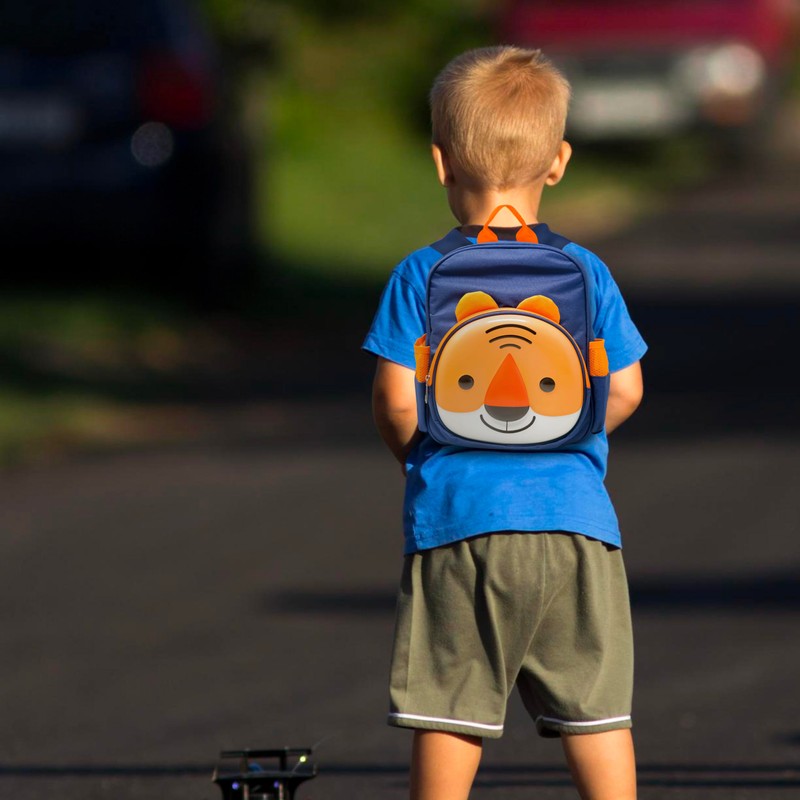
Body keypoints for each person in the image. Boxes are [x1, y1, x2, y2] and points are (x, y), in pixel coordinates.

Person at [362, 45, 646, 800]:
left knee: (450, 706)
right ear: (558, 161)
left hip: (460, 522)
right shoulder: (587, 271)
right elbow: (626, 387)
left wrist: (418, 456)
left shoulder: (421, 274)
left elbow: (396, 400)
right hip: (577, 523)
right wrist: (575, 439)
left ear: (441, 163)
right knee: (595, 710)